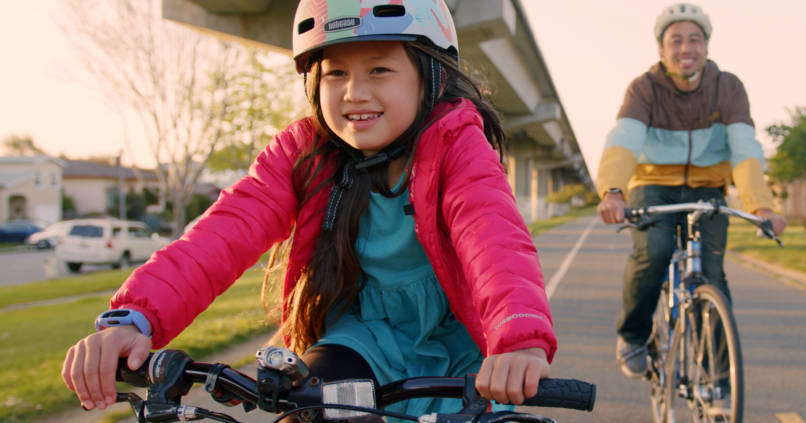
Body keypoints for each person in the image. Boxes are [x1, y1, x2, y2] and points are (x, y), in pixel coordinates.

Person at [61, 0, 556, 419]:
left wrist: (519, 337)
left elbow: (492, 237)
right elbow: (223, 232)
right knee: (309, 405)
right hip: (360, 337)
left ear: (430, 76)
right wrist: (134, 320)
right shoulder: (303, 153)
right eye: (335, 72)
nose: (354, 92)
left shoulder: (456, 144)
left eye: (379, 69)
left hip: (460, 342)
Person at [596, 3, 788, 379]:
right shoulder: (644, 88)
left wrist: (761, 206)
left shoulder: (728, 87)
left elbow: (745, 149)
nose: (686, 48)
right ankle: (633, 335)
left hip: (707, 189)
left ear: (707, 46)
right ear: (662, 50)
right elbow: (624, 141)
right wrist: (613, 190)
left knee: (712, 277)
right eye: (676, 40)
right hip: (653, 186)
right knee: (655, 251)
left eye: (694, 39)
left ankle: (718, 379)